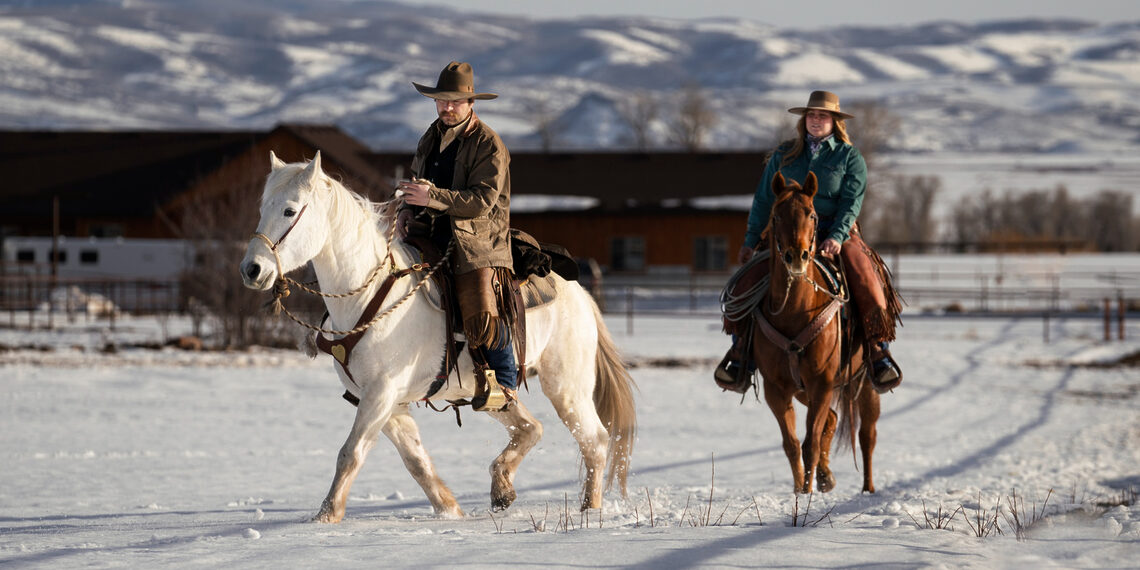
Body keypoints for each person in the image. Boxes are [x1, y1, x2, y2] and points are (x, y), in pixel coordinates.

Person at [715, 90, 903, 393]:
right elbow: (764, 200)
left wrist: (838, 237)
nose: (816, 120)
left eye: (823, 116)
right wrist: (751, 241)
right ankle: (741, 354)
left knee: (865, 276)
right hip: (788, 235)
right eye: (812, 115)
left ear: (834, 121)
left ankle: (876, 350)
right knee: (744, 285)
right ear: (805, 120)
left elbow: (851, 203)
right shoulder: (783, 155)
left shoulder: (849, 156)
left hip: (834, 232)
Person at [395, 61, 517, 410]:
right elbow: (418, 185)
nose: (447, 108)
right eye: (441, 101)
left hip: (478, 241)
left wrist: (431, 197)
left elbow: (482, 201)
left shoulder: (489, 144)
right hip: (430, 232)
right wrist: (407, 210)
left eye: (454, 102)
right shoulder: (430, 137)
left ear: (470, 104)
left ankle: (504, 382)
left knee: (480, 303)